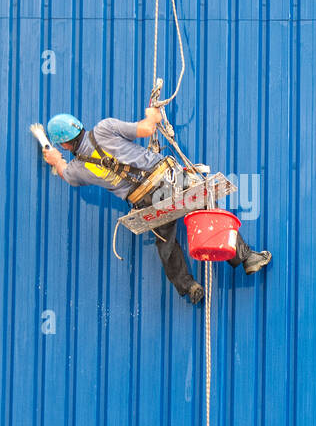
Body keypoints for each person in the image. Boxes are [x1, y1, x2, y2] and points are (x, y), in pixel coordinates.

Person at [41, 110, 271, 304]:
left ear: (64, 143)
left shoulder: (76, 169)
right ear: (79, 126)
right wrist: (153, 115)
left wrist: (55, 159)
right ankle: (246, 257)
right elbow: (146, 129)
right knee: (208, 210)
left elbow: (64, 172)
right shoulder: (104, 128)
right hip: (167, 181)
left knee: (165, 241)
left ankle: (188, 286)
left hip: (145, 200)